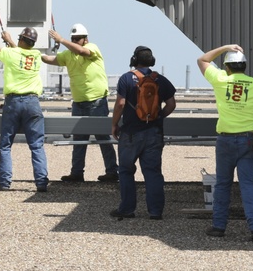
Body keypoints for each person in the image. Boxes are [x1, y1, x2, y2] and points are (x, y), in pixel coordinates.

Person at [197, 44, 253, 241]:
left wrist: (225, 47)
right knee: (249, 184)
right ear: (245, 66)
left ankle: (218, 227)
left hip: (225, 140)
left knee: (223, 184)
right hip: (248, 139)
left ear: (227, 67)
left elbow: (203, 60)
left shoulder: (221, 80)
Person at [0, 21, 49, 192]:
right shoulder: (35, 55)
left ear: (21, 40)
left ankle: (5, 183)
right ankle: (41, 182)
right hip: (33, 103)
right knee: (36, 145)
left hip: (13, 102)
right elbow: (20, 53)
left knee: (5, 145)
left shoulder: (10, 54)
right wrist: (11, 41)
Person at [42, 23, 117, 183]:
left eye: (78, 39)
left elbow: (83, 51)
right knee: (79, 139)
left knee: (103, 138)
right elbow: (50, 59)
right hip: (79, 103)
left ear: (85, 39)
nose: (75, 41)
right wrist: (33, 53)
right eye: (73, 39)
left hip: (96, 101)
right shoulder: (68, 54)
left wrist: (61, 40)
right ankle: (77, 173)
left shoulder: (92, 48)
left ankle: (112, 171)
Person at [109, 46, 177, 219]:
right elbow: (171, 104)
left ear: (134, 60)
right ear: (152, 62)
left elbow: (121, 103)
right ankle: (155, 212)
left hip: (131, 133)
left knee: (125, 171)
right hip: (154, 132)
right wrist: (159, 116)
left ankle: (127, 209)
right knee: (153, 172)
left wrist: (114, 124)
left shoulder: (126, 78)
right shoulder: (160, 80)